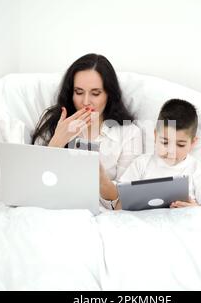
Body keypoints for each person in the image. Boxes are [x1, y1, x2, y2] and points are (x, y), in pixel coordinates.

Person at [31, 53, 143, 210]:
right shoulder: (56, 122)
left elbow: (125, 202)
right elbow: (33, 185)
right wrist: (58, 141)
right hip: (54, 209)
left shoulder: (129, 132)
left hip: (101, 214)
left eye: (95, 93)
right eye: (79, 92)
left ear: (109, 95)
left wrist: (101, 179)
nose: (85, 102)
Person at [114, 98, 201, 210]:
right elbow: (120, 206)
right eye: (165, 142)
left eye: (180, 145)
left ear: (193, 143)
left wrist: (194, 209)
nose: (171, 151)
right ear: (156, 136)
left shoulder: (198, 170)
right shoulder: (141, 164)